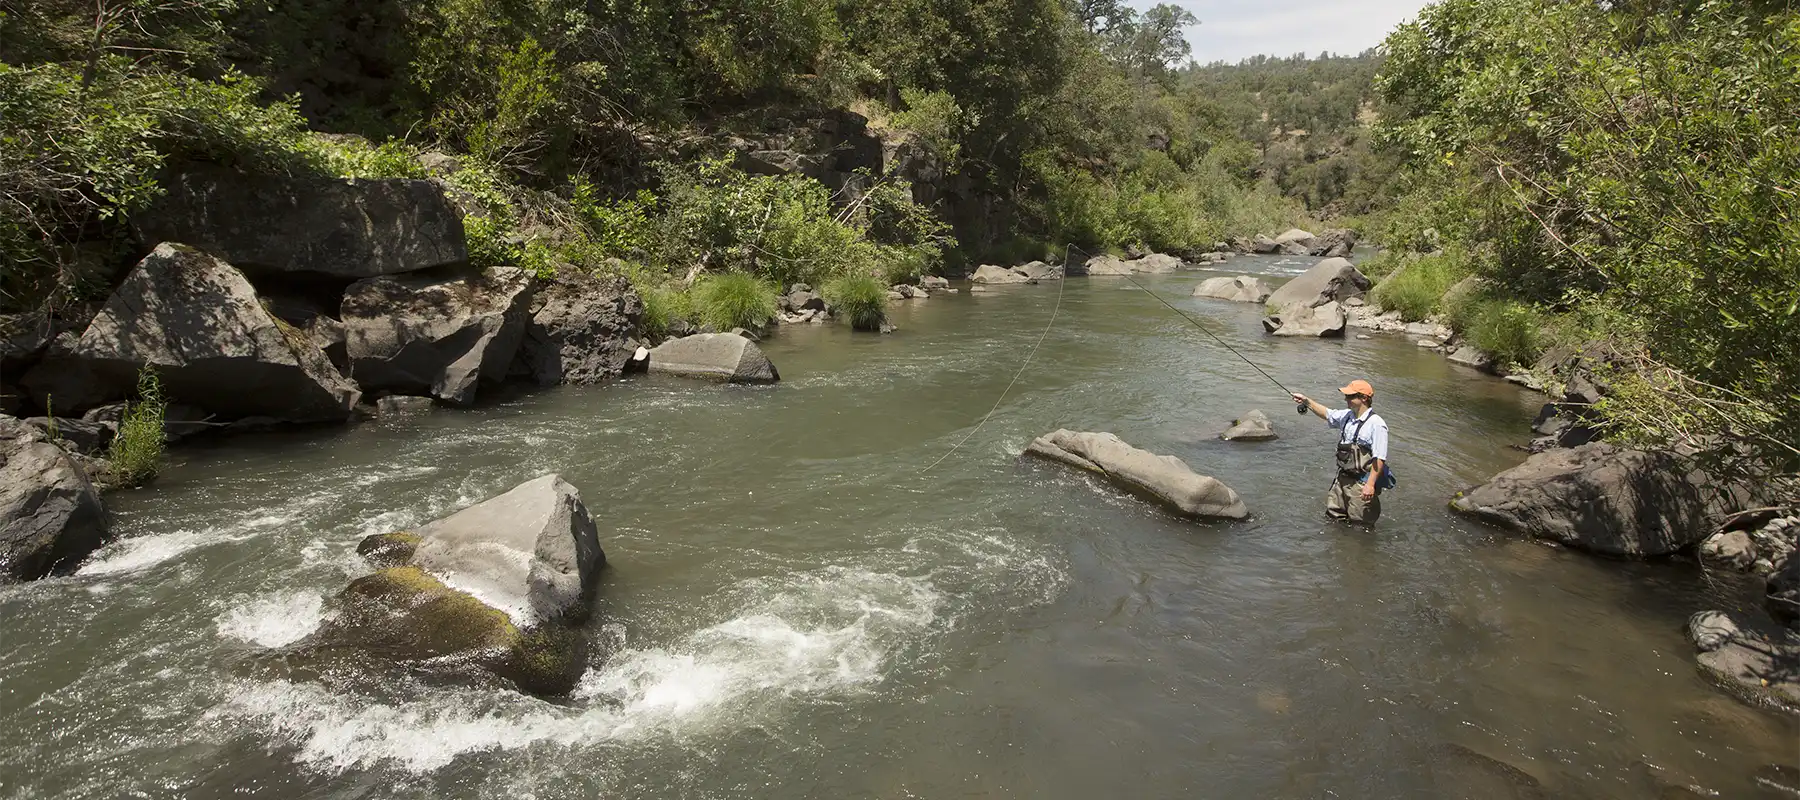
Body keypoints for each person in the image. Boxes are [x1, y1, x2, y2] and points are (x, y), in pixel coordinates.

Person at [1291, 379, 1389, 524]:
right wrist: (1306, 401)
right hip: (1341, 479)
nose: (1346, 399)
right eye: (1346, 396)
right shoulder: (1347, 416)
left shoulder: (1377, 424)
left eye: (1350, 396)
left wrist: (1370, 485)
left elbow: (1379, 458)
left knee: (1360, 526)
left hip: (1361, 483)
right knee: (1333, 518)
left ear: (1364, 398)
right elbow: (1327, 414)